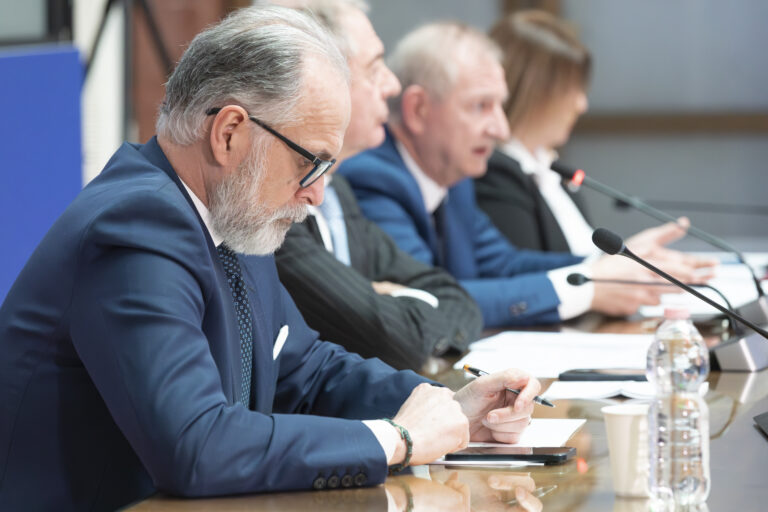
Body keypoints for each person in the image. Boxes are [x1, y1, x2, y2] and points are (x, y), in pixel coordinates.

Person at [0, 8, 540, 511]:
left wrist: (449, 407)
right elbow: (197, 445)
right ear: (229, 133)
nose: (318, 194)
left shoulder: (229, 211)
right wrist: (397, 438)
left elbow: (305, 373)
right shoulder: (138, 225)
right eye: (312, 163)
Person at [340, 22, 712, 328]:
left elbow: (503, 264)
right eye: (481, 106)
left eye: (500, 106)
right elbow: (428, 299)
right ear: (418, 109)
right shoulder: (373, 178)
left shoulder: (453, 178)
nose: (501, 129)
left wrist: (614, 265)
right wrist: (586, 288)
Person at [273, 0, 482, 371]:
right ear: (320, 81)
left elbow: (457, 298)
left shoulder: (338, 192)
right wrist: (392, 302)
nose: (393, 85)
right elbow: (396, 341)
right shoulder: (276, 206)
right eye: (374, 69)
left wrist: (394, 300)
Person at [477, 10, 706, 262]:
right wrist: (616, 264)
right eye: (571, 88)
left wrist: (628, 259)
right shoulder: (495, 173)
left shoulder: (550, 168)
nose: (581, 105)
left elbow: (585, 259)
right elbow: (528, 274)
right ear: (534, 90)